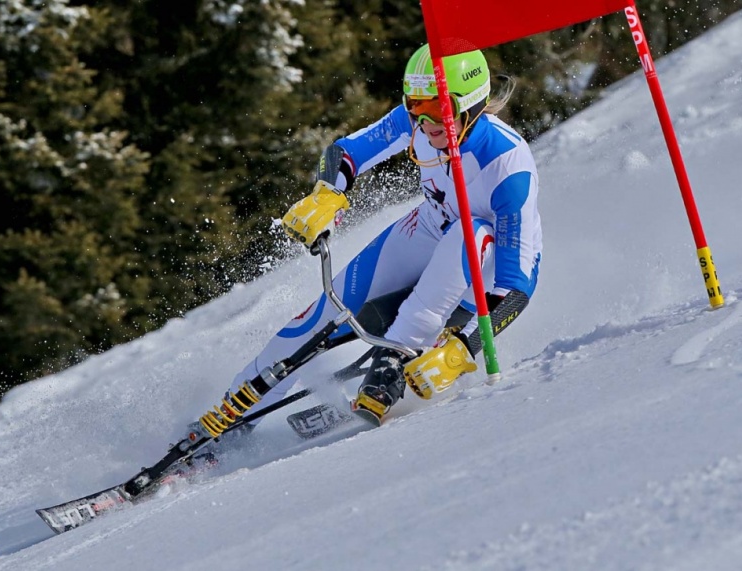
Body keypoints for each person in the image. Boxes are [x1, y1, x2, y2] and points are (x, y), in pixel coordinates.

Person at [202, 43, 542, 434]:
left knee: (472, 231)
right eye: (414, 103)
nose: (423, 119)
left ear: (472, 104)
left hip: (483, 265)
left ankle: (391, 362)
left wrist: (464, 347)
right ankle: (230, 418)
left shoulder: (506, 164)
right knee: (324, 316)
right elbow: (347, 152)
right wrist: (328, 193)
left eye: (435, 107)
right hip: (429, 228)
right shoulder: (417, 121)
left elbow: (518, 284)